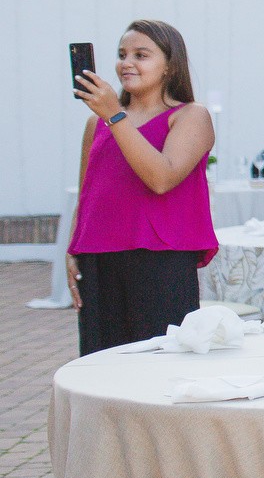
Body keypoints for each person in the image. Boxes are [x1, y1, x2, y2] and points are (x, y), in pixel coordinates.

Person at [66, 20, 218, 355]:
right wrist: (73, 249)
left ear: (169, 65)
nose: (126, 63)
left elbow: (162, 178)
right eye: (122, 54)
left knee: (160, 364)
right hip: (100, 260)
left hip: (161, 261)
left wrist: (114, 116)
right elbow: (87, 195)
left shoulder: (191, 116)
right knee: (101, 364)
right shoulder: (97, 123)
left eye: (141, 55)